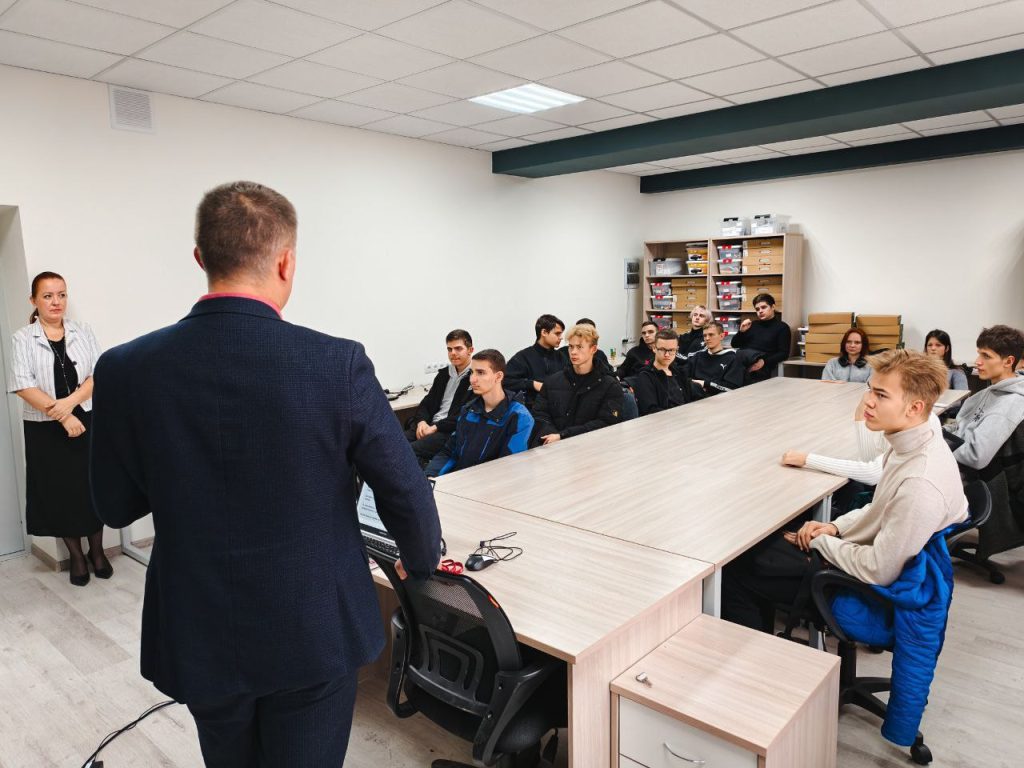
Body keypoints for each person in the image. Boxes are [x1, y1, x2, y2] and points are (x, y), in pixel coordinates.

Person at [90, 181, 442, 768]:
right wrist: (422, 564)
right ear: (286, 262)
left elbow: (114, 506)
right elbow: (404, 488)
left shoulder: (125, 368)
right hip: (313, 627)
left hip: (198, 624)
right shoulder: (336, 363)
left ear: (201, 258)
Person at [722, 349, 968, 633]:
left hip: (870, 594)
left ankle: (760, 657)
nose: (868, 401)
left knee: (736, 569)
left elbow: (879, 570)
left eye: (881, 395)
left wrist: (822, 542)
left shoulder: (919, 484)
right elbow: (882, 506)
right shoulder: (917, 437)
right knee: (761, 549)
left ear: (914, 407)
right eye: (870, 389)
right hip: (872, 555)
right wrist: (834, 527)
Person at [7, 271, 107, 587]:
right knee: (59, 491)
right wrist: (62, 416)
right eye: (48, 296)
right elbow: (23, 385)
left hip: (86, 419)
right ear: (34, 300)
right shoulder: (22, 338)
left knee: (92, 486)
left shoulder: (83, 331)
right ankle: (76, 556)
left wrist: (71, 404)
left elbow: (98, 373)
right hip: (45, 429)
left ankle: (97, 551)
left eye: (61, 294)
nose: (56, 302)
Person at [424, 349, 534, 477]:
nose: (472, 379)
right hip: (460, 479)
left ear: (498, 376)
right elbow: (449, 452)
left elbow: (508, 466)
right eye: (472, 372)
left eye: (480, 373)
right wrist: (429, 477)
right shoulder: (468, 410)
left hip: (489, 483)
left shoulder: (519, 417)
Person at [533, 323, 623, 446]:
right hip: (552, 446)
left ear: (593, 349)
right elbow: (540, 414)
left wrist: (563, 436)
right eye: (571, 347)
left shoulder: (610, 386)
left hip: (591, 448)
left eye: (579, 347)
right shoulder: (552, 381)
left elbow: (606, 423)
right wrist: (551, 436)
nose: (573, 352)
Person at [949, 325, 1024, 471]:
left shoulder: (1010, 404)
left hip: (970, 475)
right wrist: (937, 432)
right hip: (956, 456)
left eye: (986, 356)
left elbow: (975, 455)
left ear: (1008, 362)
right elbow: (960, 424)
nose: (978, 361)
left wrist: (938, 445)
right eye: (979, 354)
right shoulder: (990, 391)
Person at [406, 329, 474, 466]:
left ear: (470, 350)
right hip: (429, 425)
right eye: (449, 349)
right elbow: (427, 403)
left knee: (407, 452)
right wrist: (422, 422)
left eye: (458, 348)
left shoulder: (475, 378)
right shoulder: (444, 374)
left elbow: (465, 414)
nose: (453, 353)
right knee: (390, 444)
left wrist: (436, 427)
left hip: (448, 431)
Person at [631, 329, 704, 416]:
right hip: (665, 421)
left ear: (677, 350)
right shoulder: (645, 377)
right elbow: (651, 411)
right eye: (662, 349)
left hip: (686, 418)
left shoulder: (678, 373)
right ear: (654, 348)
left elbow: (696, 395)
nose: (667, 355)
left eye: (671, 350)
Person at [685, 320, 763, 396]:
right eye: (705, 335)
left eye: (711, 335)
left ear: (722, 336)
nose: (707, 338)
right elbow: (684, 376)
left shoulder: (733, 359)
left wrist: (705, 384)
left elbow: (732, 388)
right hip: (693, 396)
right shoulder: (697, 356)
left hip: (718, 399)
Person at [505, 314, 565, 409]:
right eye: (557, 334)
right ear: (544, 332)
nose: (561, 337)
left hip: (559, 410)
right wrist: (532, 384)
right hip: (532, 411)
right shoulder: (523, 357)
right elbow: (505, 381)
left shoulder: (562, 357)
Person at [730, 293, 791, 383]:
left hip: (761, 364)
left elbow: (783, 353)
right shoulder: (752, 325)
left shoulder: (782, 327)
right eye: (757, 309)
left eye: (764, 307)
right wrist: (741, 331)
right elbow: (734, 344)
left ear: (773, 307)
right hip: (742, 360)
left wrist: (764, 361)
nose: (760, 311)